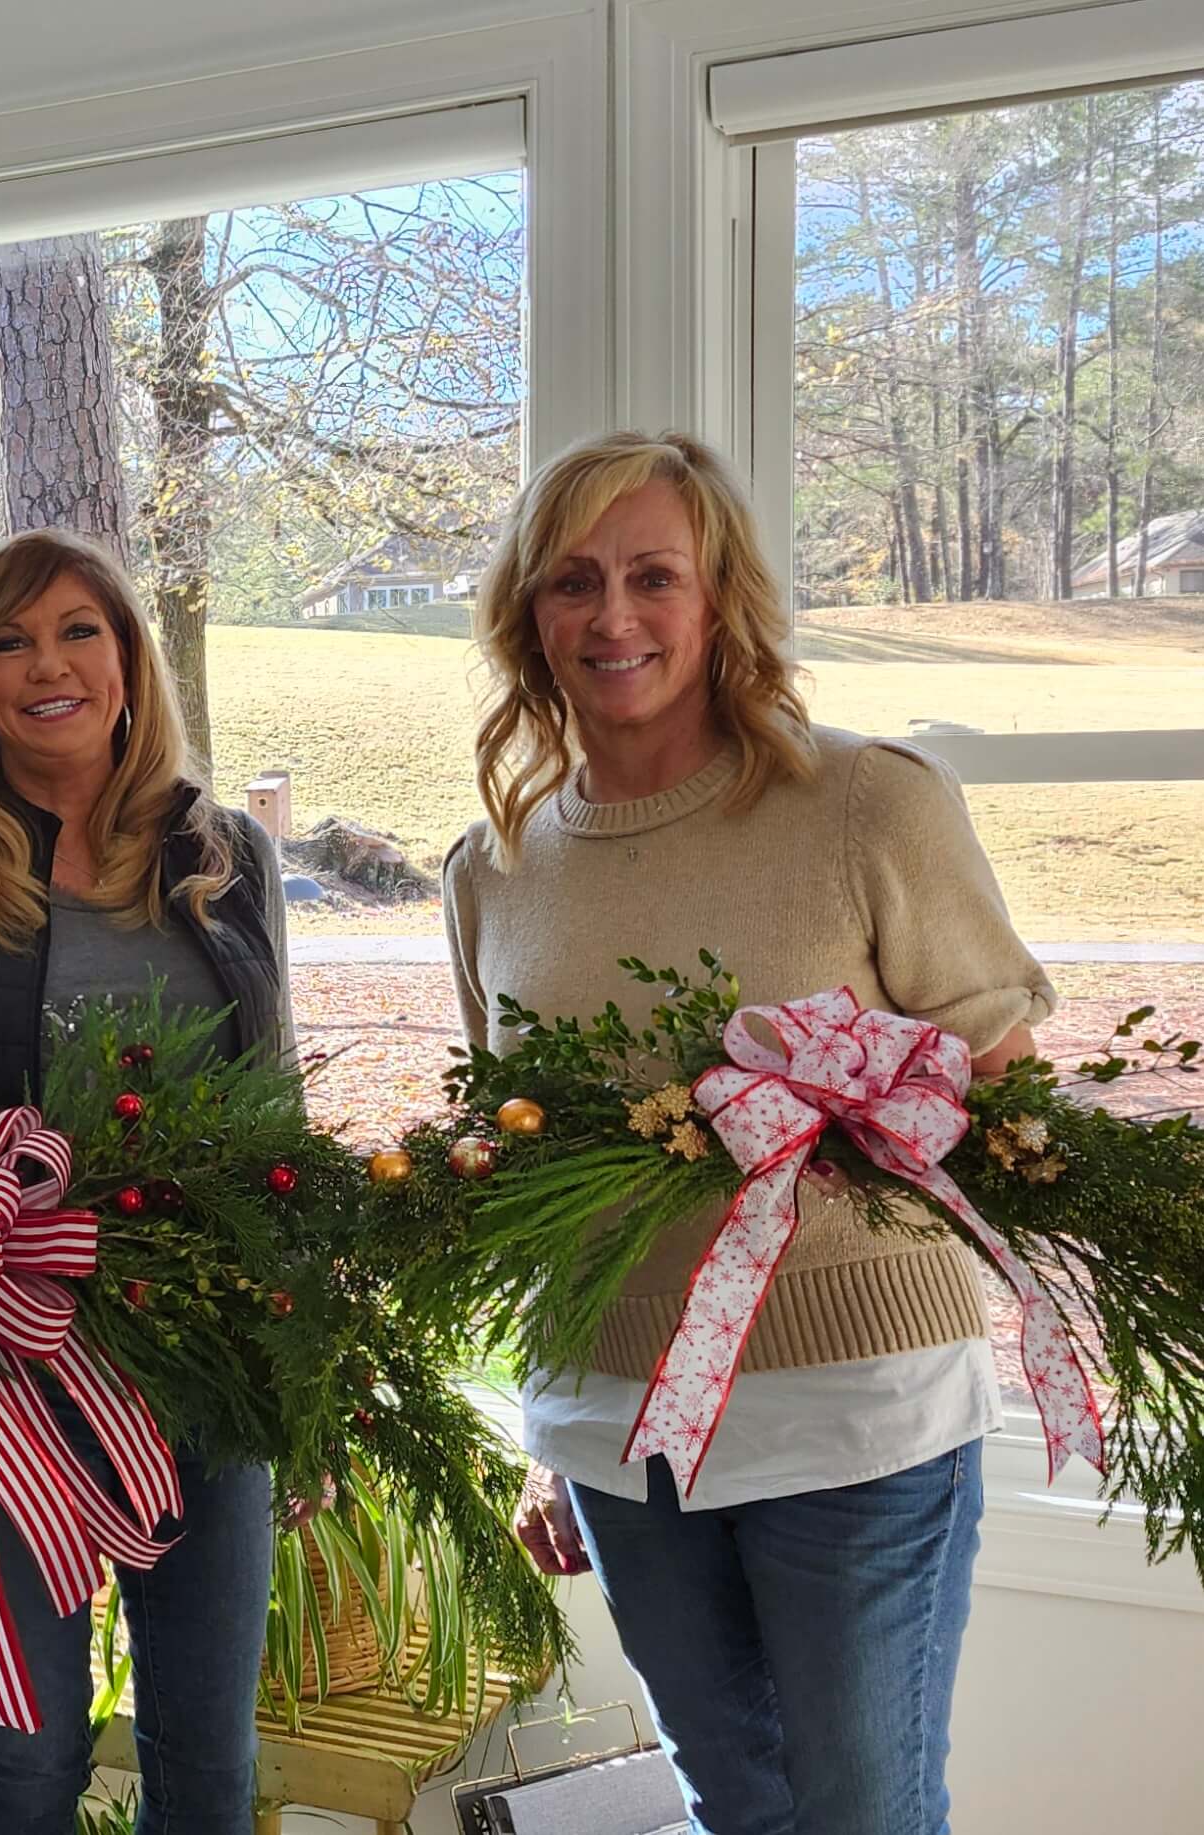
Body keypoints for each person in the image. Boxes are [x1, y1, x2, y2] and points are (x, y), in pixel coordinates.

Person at [447, 432, 1051, 1835]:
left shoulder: (865, 801)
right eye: (571, 581)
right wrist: (550, 1433)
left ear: (718, 597)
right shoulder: (492, 866)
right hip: (618, 1428)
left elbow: (998, 1091)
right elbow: (525, 1160)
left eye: (652, 575)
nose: (612, 615)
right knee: (734, 1808)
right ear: (527, 614)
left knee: (861, 1813)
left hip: (853, 1407)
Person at [0, 527, 289, 1835]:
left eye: (78, 630)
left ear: (127, 661)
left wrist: (296, 1344)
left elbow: (277, 1110)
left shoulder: (228, 857)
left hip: (205, 1368)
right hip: (5, 1381)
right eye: (10, 641)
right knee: (29, 1761)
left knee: (206, 1762)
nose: (48, 665)